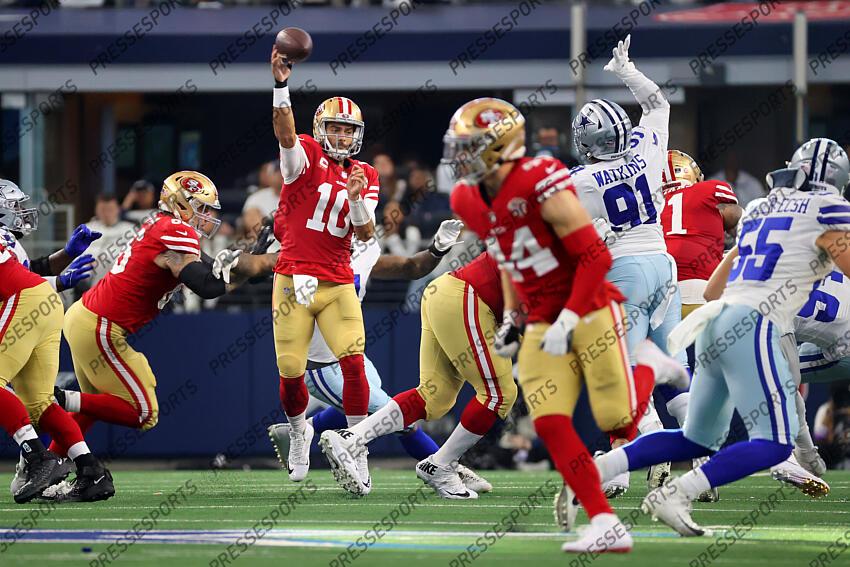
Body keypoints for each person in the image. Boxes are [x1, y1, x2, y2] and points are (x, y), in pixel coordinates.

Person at [446, 96, 687, 554]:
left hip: (591, 305)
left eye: (470, 145)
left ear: (504, 147)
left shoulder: (542, 181)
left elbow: (594, 258)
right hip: (540, 315)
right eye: (459, 144)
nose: (460, 155)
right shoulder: (466, 198)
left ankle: (652, 367)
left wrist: (572, 317)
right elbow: (506, 256)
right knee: (551, 420)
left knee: (616, 417)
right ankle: (606, 525)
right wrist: (516, 315)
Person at [595, 138, 850, 536]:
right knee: (774, 445)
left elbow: (714, 290)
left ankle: (599, 470)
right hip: (755, 323)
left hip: (715, 320)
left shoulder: (764, 207)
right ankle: (676, 496)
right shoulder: (829, 208)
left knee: (695, 439)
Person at [52, 171, 275, 495]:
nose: (210, 216)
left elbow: (217, 276)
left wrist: (255, 260)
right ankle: (57, 399)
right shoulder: (174, 229)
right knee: (143, 410)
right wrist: (265, 261)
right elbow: (208, 285)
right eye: (203, 207)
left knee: (91, 409)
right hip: (99, 326)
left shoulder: (164, 227)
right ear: (181, 204)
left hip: (86, 318)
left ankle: (45, 465)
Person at [569, 35, 689, 497]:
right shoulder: (646, 152)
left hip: (627, 273)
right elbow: (658, 106)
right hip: (664, 265)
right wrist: (626, 71)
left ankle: (622, 467)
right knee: (673, 367)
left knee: (621, 374)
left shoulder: (581, 180)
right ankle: (702, 456)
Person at [320, 250, 516, 499]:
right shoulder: (553, 247)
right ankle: (441, 465)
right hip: (468, 296)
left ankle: (352, 438)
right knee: (499, 394)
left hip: (448, 291)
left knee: (435, 397)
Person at [269, 47, 379, 484]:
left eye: (347, 129)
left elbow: (367, 234)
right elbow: (284, 133)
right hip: (294, 279)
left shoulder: (366, 174)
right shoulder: (306, 155)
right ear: (319, 129)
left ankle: (357, 446)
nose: (341, 135)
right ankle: (299, 432)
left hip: (336, 282)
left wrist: (353, 197)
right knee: (292, 371)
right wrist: (281, 85)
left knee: (353, 363)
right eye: (334, 127)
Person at [84, 193, 137, 287]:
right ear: (96, 210)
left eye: (110, 209)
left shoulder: (131, 230)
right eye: (102, 210)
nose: (107, 213)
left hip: (122, 281)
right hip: (92, 284)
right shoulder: (86, 230)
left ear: (118, 209)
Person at [241, 161, 282, 249]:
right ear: (270, 176)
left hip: (292, 249)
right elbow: (255, 226)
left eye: (284, 170)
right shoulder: (256, 197)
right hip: (264, 249)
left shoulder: (301, 198)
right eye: (277, 171)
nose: (281, 174)